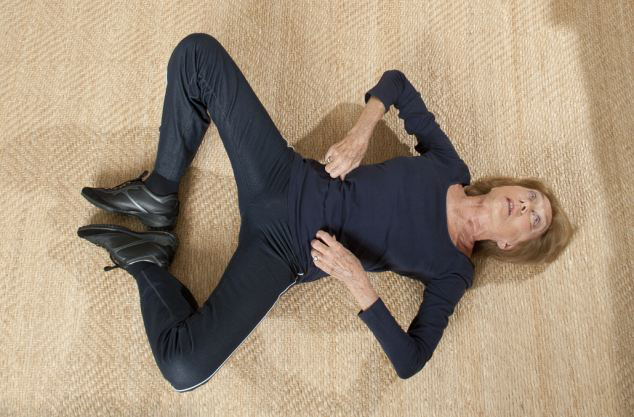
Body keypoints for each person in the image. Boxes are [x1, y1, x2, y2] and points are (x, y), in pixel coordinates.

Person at [77, 33, 574, 392]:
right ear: (513, 185)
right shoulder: (451, 166)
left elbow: (412, 360)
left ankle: (148, 259)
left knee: (183, 367)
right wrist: (363, 130)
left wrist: (359, 283)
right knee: (197, 54)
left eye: (534, 220)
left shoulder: (454, 270)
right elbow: (398, 84)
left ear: (510, 243)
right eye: (532, 196)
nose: (526, 205)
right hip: (285, 176)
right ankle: (159, 195)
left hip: (284, 251)